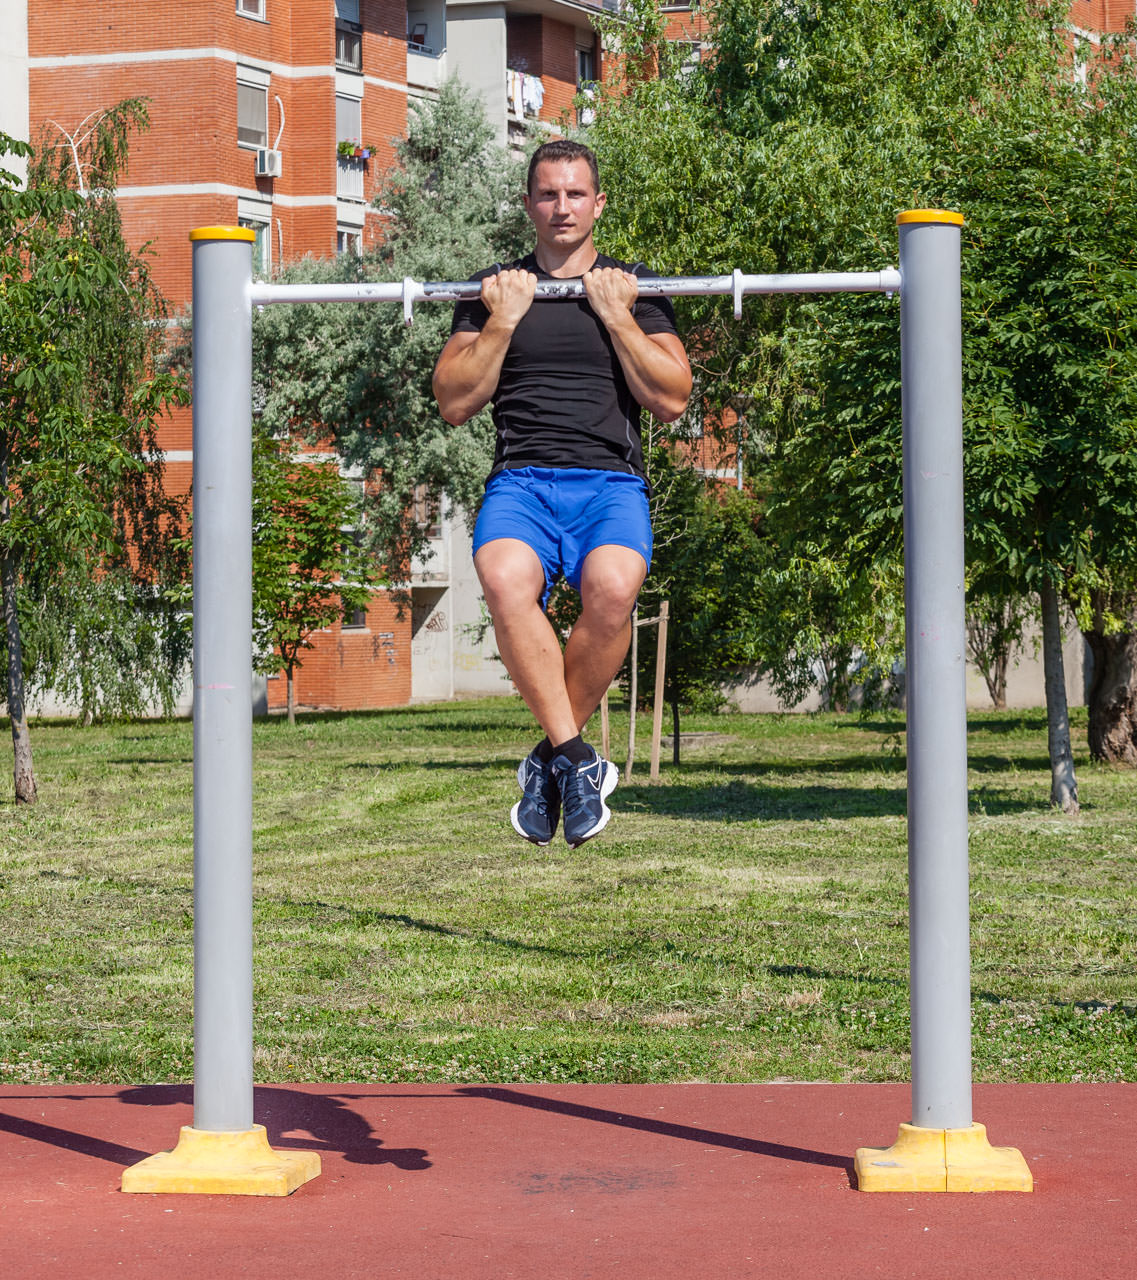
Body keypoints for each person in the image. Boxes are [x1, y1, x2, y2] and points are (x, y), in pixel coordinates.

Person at [432, 139, 692, 848]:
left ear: (598, 203)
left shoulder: (635, 287)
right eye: (547, 194)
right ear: (528, 204)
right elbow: (453, 401)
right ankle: (576, 758)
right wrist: (504, 319)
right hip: (522, 480)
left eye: (575, 194)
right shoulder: (492, 291)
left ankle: (553, 763)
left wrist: (616, 316)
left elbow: (671, 398)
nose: (562, 207)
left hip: (610, 480)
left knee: (613, 585)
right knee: (501, 574)